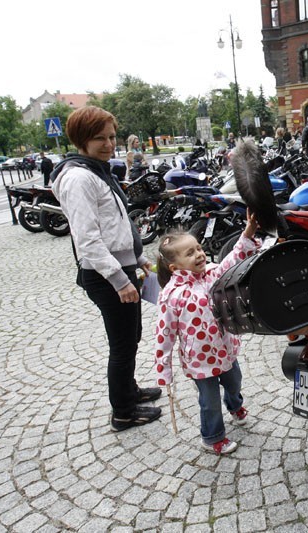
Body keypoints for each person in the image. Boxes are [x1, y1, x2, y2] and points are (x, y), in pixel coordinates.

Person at [51, 106, 161, 432]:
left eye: (112, 136)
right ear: (81, 140)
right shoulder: (79, 177)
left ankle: (130, 391)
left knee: (132, 337)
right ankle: (123, 412)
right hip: (105, 275)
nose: (109, 143)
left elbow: (116, 226)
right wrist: (118, 279)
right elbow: (88, 240)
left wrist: (138, 260)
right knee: (123, 345)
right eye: (99, 138)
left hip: (122, 268)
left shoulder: (97, 170)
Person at [153, 211, 260, 455]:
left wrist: (248, 233)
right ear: (174, 266)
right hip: (199, 361)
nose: (199, 254)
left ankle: (235, 405)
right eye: (190, 253)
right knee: (209, 401)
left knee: (235, 382)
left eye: (199, 248)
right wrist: (164, 369)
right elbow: (164, 334)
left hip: (225, 348)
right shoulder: (171, 295)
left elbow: (232, 261)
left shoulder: (212, 272)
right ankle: (212, 437)